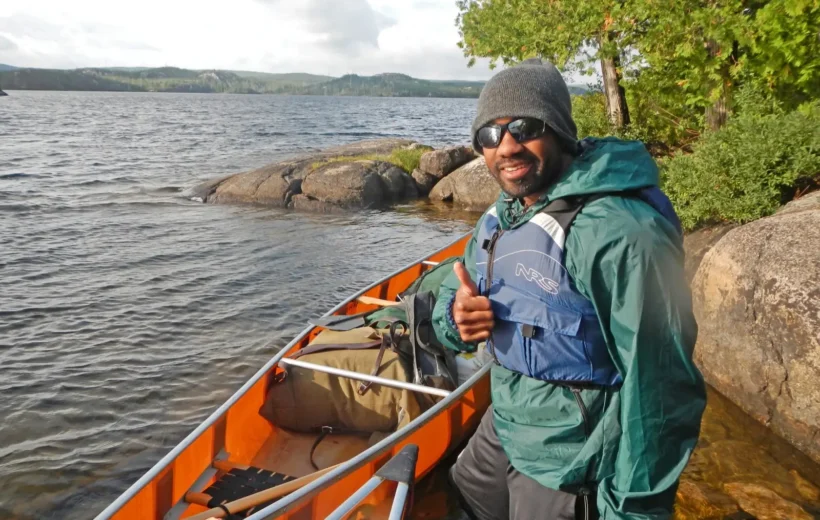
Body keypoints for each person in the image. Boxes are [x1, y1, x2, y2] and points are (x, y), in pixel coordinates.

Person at [431, 58, 706, 520]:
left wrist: (634, 510)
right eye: (490, 135)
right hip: (508, 419)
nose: (507, 146)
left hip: (569, 456)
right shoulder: (503, 214)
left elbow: (660, 388)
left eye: (524, 126)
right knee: (465, 490)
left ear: (559, 129)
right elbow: (454, 289)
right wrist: (457, 318)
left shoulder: (620, 234)